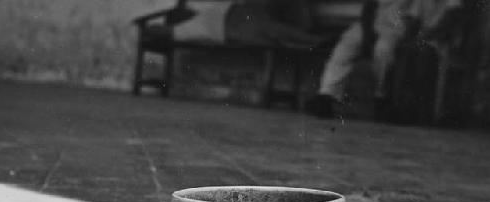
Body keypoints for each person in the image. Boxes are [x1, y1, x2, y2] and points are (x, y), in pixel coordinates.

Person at [309, 0, 463, 119]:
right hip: (369, 25)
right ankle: (326, 96)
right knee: (345, 47)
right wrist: (368, 34)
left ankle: (380, 97)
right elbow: (369, 7)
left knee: (382, 51)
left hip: (395, 28)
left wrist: (411, 36)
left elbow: (414, 18)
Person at [171, 0, 322, 48]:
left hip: (242, 14)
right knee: (272, 30)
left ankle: (309, 34)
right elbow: (160, 31)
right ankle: (313, 39)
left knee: (271, 26)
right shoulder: (186, 28)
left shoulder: (202, 15)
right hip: (236, 27)